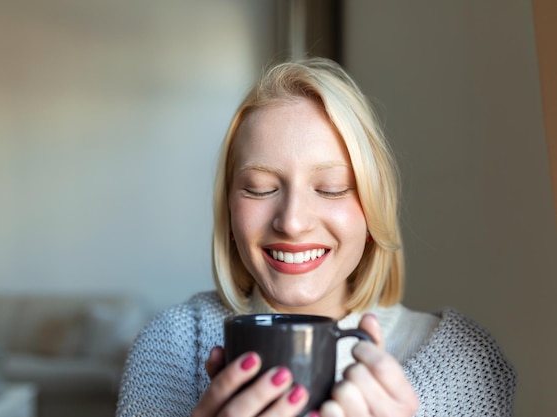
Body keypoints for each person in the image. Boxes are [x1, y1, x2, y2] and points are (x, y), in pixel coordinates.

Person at [116, 58, 516, 417]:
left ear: (373, 212)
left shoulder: (462, 364)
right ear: (230, 214)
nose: (292, 222)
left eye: (331, 188)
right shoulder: (173, 349)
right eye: (258, 187)